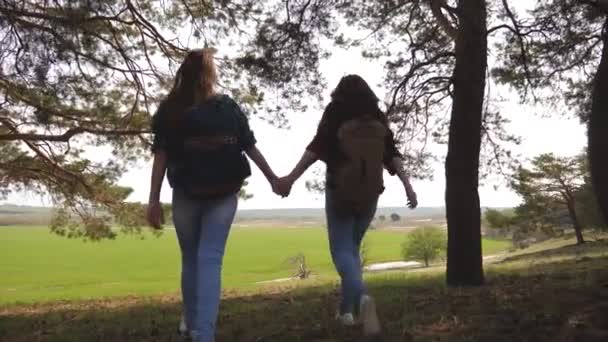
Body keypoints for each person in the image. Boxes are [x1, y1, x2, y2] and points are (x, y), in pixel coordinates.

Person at [146, 48, 278, 342]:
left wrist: (154, 200)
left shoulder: (171, 109)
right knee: (210, 259)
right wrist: (273, 179)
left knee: (190, 259)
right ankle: (204, 333)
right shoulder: (227, 107)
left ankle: (192, 325)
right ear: (209, 74)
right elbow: (249, 146)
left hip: (186, 194)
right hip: (223, 194)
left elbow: (161, 155)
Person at [275, 74, 417, 336]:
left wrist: (291, 178)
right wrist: (408, 185)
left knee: (342, 251)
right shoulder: (377, 117)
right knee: (351, 251)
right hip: (370, 193)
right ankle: (346, 312)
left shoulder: (336, 112)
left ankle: (362, 298)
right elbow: (392, 154)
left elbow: (316, 148)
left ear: (339, 93)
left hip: (340, 191)